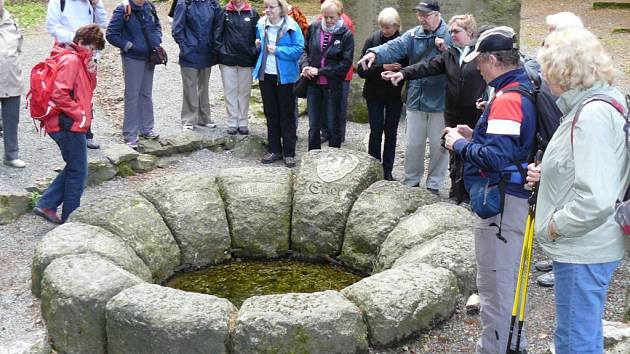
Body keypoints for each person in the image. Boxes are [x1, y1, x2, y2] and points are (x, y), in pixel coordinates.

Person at [526, 28, 629, 354]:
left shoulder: (591, 115)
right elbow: (597, 167)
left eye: (546, 66)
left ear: (564, 71)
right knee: (582, 333)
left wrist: (556, 226)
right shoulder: (604, 99)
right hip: (593, 244)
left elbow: (596, 198)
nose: (541, 75)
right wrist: (550, 175)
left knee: (575, 342)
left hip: (584, 247)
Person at [442, 26, 536, 354]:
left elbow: (496, 158)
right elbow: (506, 146)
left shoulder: (508, 99)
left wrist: (461, 145)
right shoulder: (516, 88)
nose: (476, 68)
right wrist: (475, 135)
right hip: (511, 201)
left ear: (493, 60)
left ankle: (494, 348)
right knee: (503, 281)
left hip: (501, 206)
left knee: (495, 286)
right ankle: (513, 345)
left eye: (479, 62)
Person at [382, 14, 486, 203]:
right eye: (451, 31)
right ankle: (456, 193)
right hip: (453, 112)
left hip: (474, 113)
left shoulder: (481, 54)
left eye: (456, 31)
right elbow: (426, 67)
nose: (452, 34)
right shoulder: (450, 54)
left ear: (470, 32)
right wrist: (403, 74)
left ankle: (470, 195)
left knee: (472, 154)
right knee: (454, 154)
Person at [358, 0, 450, 194]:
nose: (422, 19)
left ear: (437, 14)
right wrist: (374, 53)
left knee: (438, 146)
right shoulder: (414, 34)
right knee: (413, 144)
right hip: (415, 97)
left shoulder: (449, 35)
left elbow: (455, 60)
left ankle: (434, 184)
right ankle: (412, 181)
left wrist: (447, 49)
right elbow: (395, 46)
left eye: (425, 15)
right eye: (419, 14)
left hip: (441, 99)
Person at [33, 24, 105, 224]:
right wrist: (80, 114)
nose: (92, 53)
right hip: (68, 124)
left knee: (75, 167)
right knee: (78, 173)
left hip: (70, 123)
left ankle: (47, 204)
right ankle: (71, 219)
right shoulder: (72, 60)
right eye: (91, 48)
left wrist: (91, 72)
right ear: (81, 42)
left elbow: (86, 90)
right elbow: (59, 94)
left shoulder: (79, 60)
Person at [46, 0, 107, 150]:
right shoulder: (59, 2)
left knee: (87, 92)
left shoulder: (89, 2)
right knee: (68, 92)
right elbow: (51, 26)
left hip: (88, 52)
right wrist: (76, 39)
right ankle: (70, 129)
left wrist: (97, 4)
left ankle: (86, 131)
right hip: (68, 52)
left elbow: (102, 23)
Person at [357, 7, 407, 181]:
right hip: (374, 93)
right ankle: (374, 167)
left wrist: (398, 72)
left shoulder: (403, 41)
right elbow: (361, 71)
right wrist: (382, 68)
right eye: (383, 27)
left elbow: (408, 68)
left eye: (389, 27)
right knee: (376, 130)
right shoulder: (372, 40)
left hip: (394, 94)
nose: (385, 31)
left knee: (391, 132)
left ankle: (387, 170)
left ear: (396, 26)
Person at [252, 0, 304, 167]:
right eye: (266, 7)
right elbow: (261, 48)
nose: (267, 10)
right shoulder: (261, 24)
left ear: (281, 8)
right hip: (266, 74)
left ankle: (289, 153)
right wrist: (258, 45)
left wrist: (278, 50)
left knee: (287, 114)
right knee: (270, 112)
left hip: (286, 77)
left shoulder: (291, 26)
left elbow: (299, 49)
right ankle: (274, 149)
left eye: (271, 7)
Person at [106, 0, 162, 149]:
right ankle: (130, 134)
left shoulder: (149, 7)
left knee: (146, 94)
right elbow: (111, 34)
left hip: (149, 57)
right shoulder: (123, 9)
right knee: (132, 95)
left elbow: (157, 26)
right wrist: (129, 46)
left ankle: (147, 129)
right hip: (132, 58)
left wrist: (157, 40)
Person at [301, 0, 354, 150]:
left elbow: (345, 64)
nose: (329, 21)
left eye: (332, 17)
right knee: (313, 124)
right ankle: (312, 157)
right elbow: (305, 50)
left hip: (333, 85)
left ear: (339, 15)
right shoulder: (314, 28)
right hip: (313, 83)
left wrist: (320, 71)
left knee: (333, 124)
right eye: (326, 17)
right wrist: (305, 66)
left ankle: (334, 158)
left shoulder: (346, 34)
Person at [172, 0, 221, 132]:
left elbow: (218, 25)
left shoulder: (213, 3)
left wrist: (214, 44)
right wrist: (185, 46)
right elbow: (177, 29)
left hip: (207, 50)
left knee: (204, 86)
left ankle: (204, 118)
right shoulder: (184, 3)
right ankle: (188, 119)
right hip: (190, 52)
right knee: (190, 86)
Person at [215, 0, 260, 135]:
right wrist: (222, 51)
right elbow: (217, 35)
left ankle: (243, 121)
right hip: (227, 58)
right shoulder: (224, 12)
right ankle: (232, 122)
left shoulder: (252, 13)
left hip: (246, 59)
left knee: (244, 91)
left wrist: (253, 51)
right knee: (230, 90)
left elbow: (257, 35)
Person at [318, 0, 354, 143]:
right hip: (324, 71)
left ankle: (338, 134)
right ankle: (326, 131)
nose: (328, 19)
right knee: (324, 104)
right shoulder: (320, 20)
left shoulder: (345, 22)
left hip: (340, 73)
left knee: (338, 105)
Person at [0, 0, 25, 168]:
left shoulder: (12, 24)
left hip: (11, 80)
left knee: (11, 121)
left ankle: (11, 155)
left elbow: (19, 48)